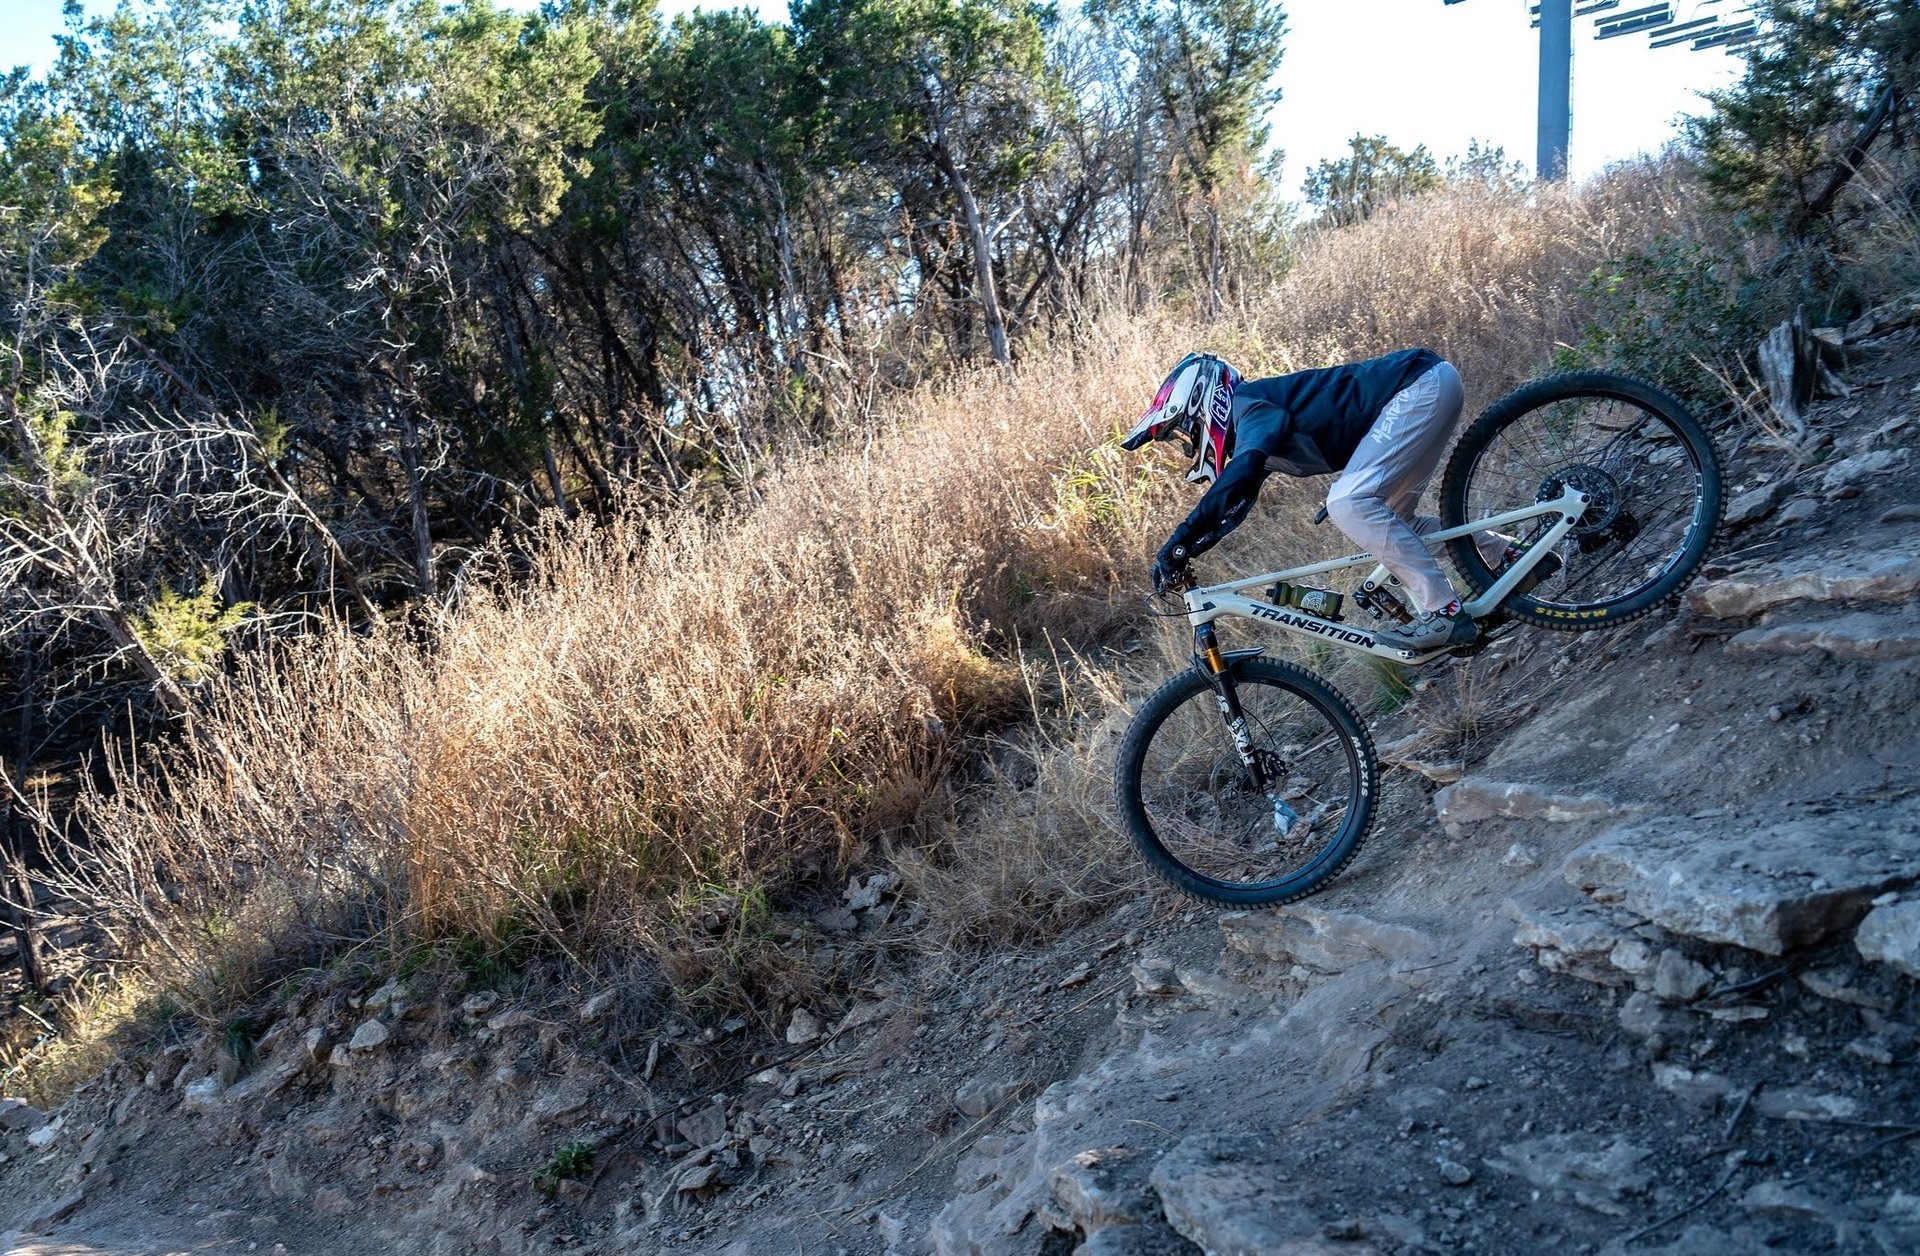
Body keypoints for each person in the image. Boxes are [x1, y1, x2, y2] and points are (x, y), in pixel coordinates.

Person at [1121, 348, 1518, 653]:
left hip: (1419, 386)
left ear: (1205, 402)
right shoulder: (1254, 422)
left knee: (1348, 503)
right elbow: (1234, 503)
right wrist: (1185, 549)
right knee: (1396, 524)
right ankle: (1509, 559)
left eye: (1185, 431)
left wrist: (1178, 536)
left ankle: (1443, 612)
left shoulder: (1248, 405)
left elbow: (1238, 477)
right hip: (1429, 384)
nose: (1189, 444)